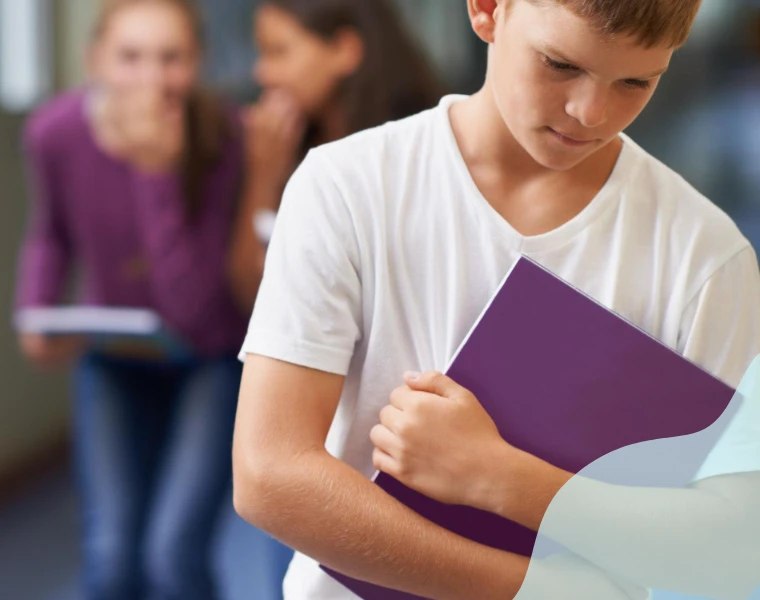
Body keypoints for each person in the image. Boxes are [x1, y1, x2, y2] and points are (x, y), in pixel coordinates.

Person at [231, 0, 760, 598]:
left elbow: (737, 549)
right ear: (486, 10)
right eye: (560, 64)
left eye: (635, 82)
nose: (591, 112)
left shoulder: (707, 256)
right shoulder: (345, 187)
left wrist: (498, 476)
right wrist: (537, 591)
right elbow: (269, 475)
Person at [13, 0, 247, 598]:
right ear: (95, 61)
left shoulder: (226, 136)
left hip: (208, 360)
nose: (152, 79)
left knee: (174, 555)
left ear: (199, 62)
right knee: (110, 557)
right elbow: (51, 233)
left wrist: (155, 172)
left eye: (172, 58)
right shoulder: (54, 132)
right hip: (113, 356)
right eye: (130, 57)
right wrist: (35, 309)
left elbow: (191, 308)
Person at [229, 0, 443, 310]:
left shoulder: (414, 151)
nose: (263, 73)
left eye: (278, 52)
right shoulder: (288, 145)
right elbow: (251, 291)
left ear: (344, 50)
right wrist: (262, 175)